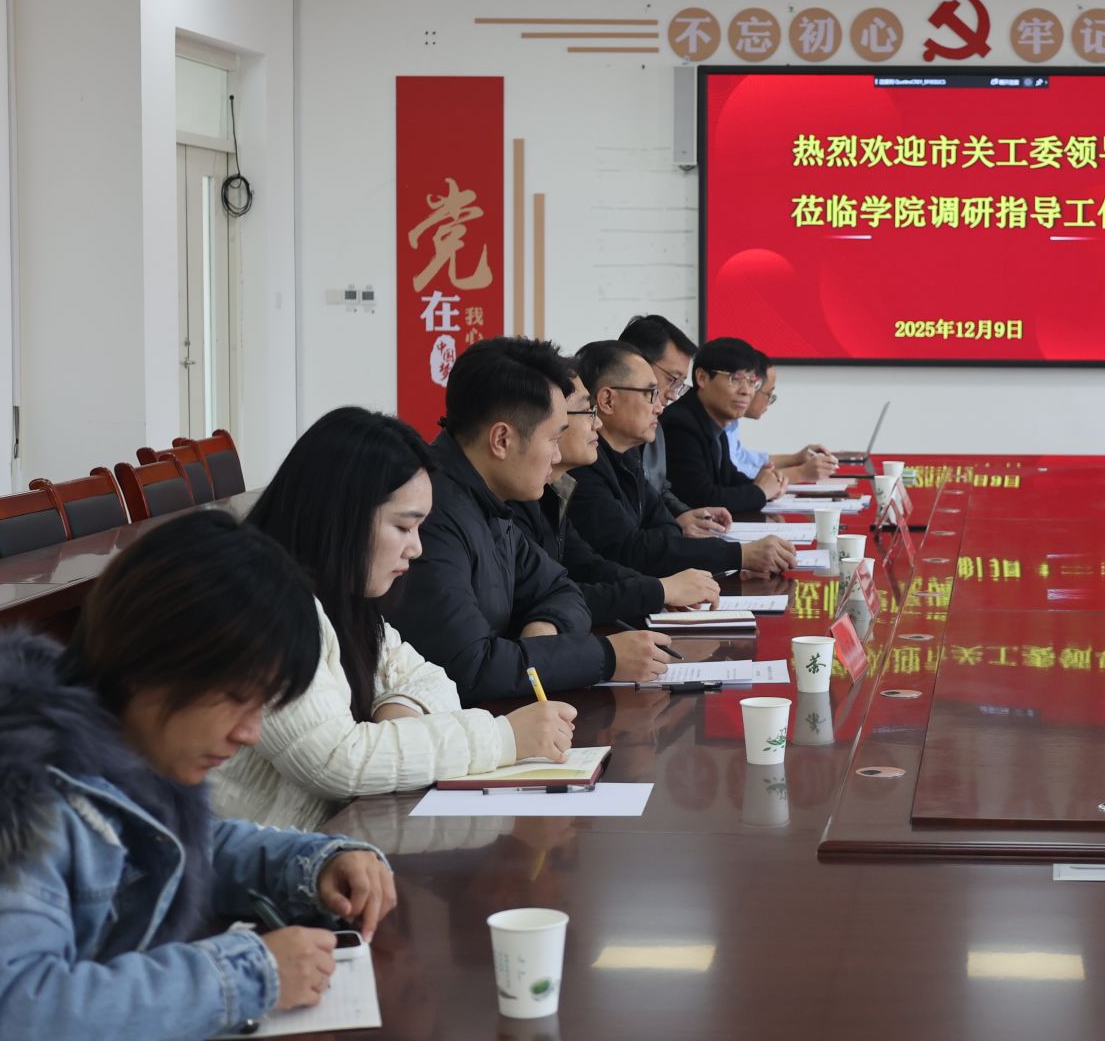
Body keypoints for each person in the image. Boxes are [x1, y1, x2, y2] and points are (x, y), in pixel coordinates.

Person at [0, 511, 398, 1041]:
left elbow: (170, 847)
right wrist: (248, 974)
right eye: (237, 698)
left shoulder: (110, 741)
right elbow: (13, 1023)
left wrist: (311, 864)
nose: (250, 733)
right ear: (151, 665)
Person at [209, 407, 581, 831]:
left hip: (327, 841)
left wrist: (397, 712)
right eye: (404, 527)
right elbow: (338, 761)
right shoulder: (263, 607)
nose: (417, 548)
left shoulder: (343, 597)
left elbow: (431, 679)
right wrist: (504, 738)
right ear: (342, 515)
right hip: (249, 860)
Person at [382, 336, 675, 700]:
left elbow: (562, 588)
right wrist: (607, 656)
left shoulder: (489, 498)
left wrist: (546, 627)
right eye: (552, 439)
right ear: (501, 440)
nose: (557, 457)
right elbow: (471, 668)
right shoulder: (432, 514)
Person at [501, 364, 723, 623]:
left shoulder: (558, 487)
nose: (597, 422)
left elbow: (587, 565)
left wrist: (660, 590)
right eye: (587, 411)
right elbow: (546, 597)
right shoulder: (519, 499)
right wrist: (660, 591)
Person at [568, 338, 797, 577]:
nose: (660, 406)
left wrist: (659, 546)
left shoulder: (627, 455)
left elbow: (666, 524)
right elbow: (632, 550)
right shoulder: (581, 468)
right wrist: (739, 554)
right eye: (650, 394)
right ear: (607, 400)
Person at [617, 314, 735, 537]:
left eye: (680, 384)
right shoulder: (595, 438)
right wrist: (675, 526)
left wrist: (687, 515)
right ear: (635, 363)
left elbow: (658, 489)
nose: (672, 395)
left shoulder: (655, 427)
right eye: (671, 379)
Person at [661, 336, 787, 513]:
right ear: (702, 378)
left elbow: (727, 478)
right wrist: (759, 492)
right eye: (735, 379)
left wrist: (765, 482)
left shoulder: (715, 421)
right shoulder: (681, 424)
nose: (746, 391)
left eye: (752, 382)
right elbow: (700, 499)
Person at [726, 349, 837, 482]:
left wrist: (796, 459)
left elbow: (743, 458)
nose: (745, 391)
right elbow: (737, 475)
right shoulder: (720, 422)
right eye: (769, 394)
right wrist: (800, 473)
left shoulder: (731, 423)